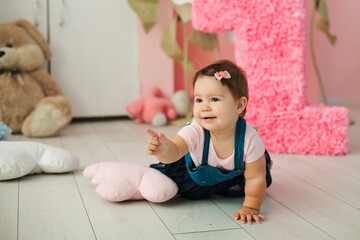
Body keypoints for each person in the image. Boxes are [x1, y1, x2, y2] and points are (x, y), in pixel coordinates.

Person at [146, 59, 272, 224]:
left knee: (261, 179)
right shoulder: (196, 130)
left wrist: (251, 207)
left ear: (239, 105)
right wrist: (164, 150)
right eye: (199, 100)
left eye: (214, 99)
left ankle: (246, 172)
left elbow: (255, 178)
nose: (204, 107)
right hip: (196, 175)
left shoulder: (249, 138)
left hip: (235, 176)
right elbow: (175, 150)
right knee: (187, 190)